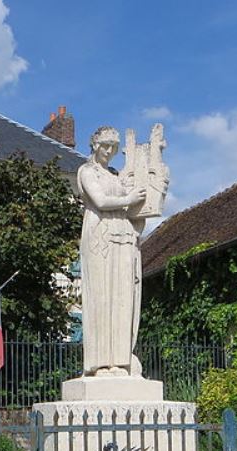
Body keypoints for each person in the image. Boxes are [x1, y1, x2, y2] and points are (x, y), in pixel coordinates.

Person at [76, 126, 147, 377]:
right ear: (95, 144)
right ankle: (100, 364)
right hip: (100, 235)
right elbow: (101, 202)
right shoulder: (87, 172)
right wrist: (130, 199)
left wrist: (143, 207)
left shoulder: (117, 176)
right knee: (102, 298)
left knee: (122, 298)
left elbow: (132, 212)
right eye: (105, 145)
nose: (109, 150)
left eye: (113, 147)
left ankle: (121, 361)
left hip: (123, 235)